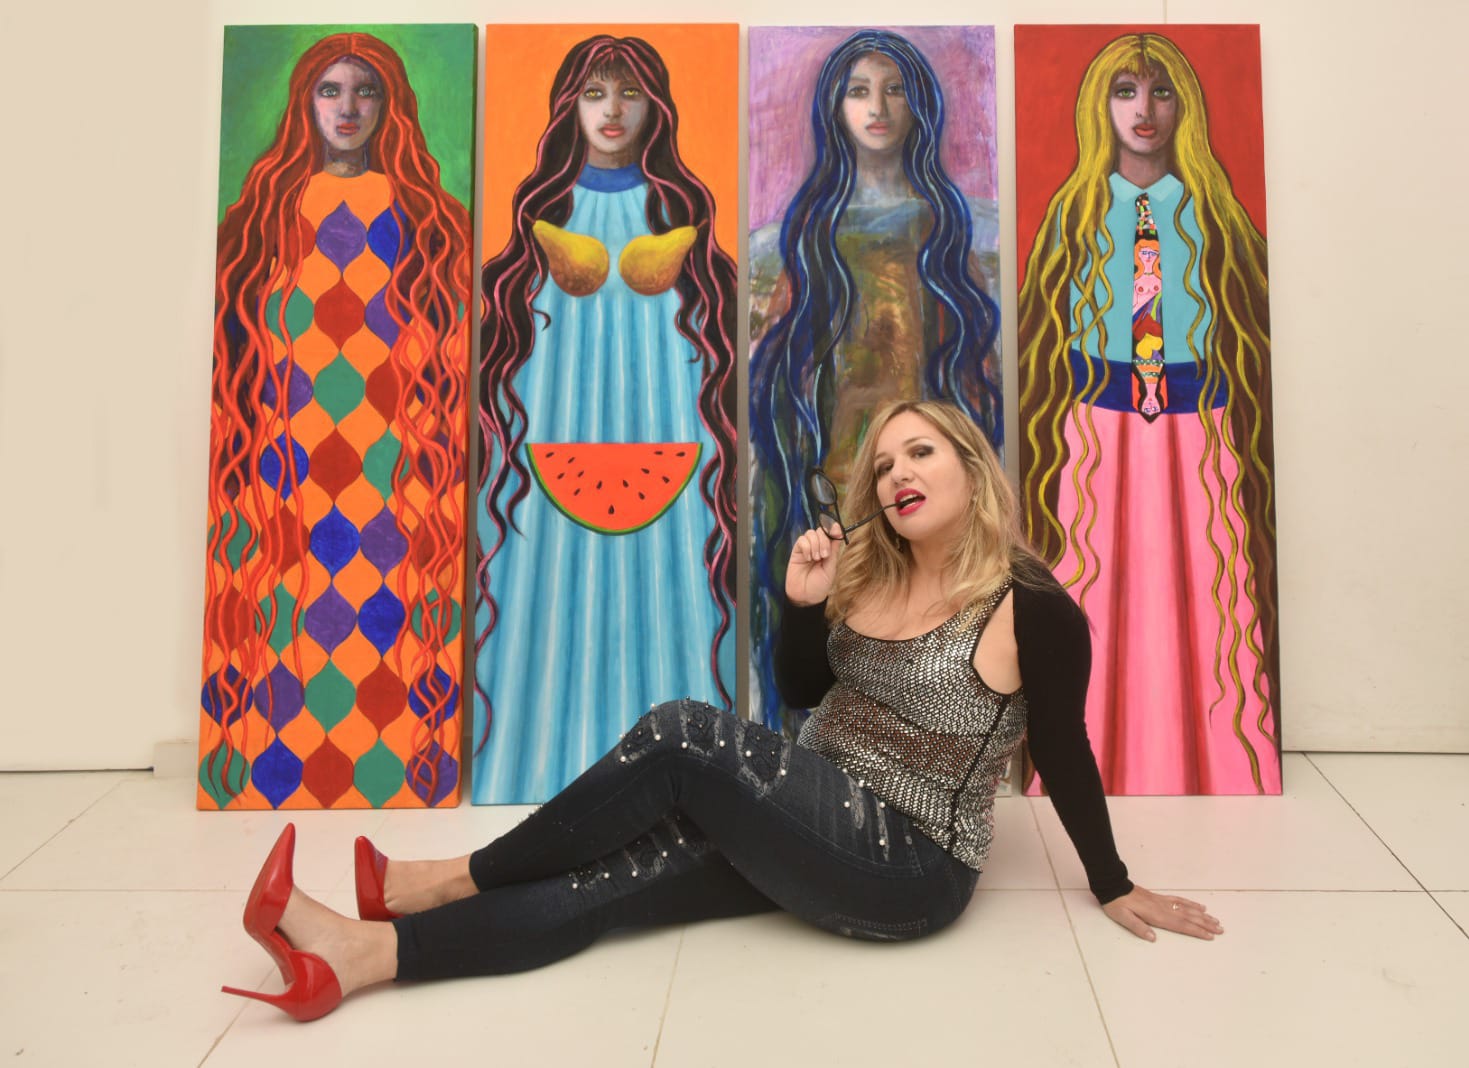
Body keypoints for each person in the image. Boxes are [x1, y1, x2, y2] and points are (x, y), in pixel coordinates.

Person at [222, 399, 1223, 1022]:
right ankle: (363, 955)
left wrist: (1110, 883)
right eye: (883, 465)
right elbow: (806, 694)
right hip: (812, 810)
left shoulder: (1029, 606)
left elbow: (1064, 748)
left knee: (679, 732)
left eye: (919, 453)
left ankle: (440, 880)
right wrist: (801, 604)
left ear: (969, 464)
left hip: (907, 864)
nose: (896, 475)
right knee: (613, 882)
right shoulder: (870, 572)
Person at [202, 32, 471, 809]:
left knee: (386, 620)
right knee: (285, 618)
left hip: (395, 458)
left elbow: (445, 344)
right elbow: (244, 345)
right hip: (285, 457)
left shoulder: (429, 217)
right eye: (331, 90)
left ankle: (395, 771)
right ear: (305, 103)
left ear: (391, 106)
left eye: (365, 91)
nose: (348, 107)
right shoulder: (263, 215)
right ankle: (274, 772)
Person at [473, 35, 738, 804]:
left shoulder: (681, 218)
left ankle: (683, 778)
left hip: (674, 442)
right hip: (548, 443)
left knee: (670, 590)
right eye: (595, 93)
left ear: (656, 107)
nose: (612, 110)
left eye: (628, 93)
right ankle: (537, 764)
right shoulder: (539, 221)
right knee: (548, 592)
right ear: (570, 107)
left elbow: (704, 352)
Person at [1017, 32, 1280, 795]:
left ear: (1183, 106)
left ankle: (1215, 762)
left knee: (1206, 596)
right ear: (1098, 106)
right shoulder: (1072, 216)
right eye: (1124, 90)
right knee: (1095, 592)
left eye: (1160, 91)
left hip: (1198, 436)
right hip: (1097, 440)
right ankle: (1085, 755)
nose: (1143, 109)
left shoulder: (1217, 219)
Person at [748, 28, 1001, 729]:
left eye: (894, 90)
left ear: (920, 106)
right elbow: (782, 381)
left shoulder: (964, 231)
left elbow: (977, 373)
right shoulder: (789, 240)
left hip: (929, 478)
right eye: (858, 91)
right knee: (834, 640)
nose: (878, 107)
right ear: (834, 108)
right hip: (831, 472)